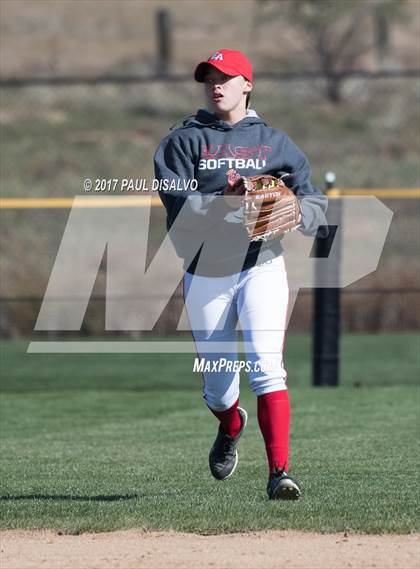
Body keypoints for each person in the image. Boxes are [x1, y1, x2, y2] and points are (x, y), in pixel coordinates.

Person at [154, 49, 327, 500]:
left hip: (261, 266)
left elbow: (313, 203)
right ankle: (231, 426)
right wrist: (230, 203)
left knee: (268, 370)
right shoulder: (183, 142)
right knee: (219, 389)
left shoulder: (275, 143)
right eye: (209, 77)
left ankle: (280, 474)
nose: (216, 84)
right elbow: (180, 208)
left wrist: (296, 212)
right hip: (206, 271)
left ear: (247, 84)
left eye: (226, 76)